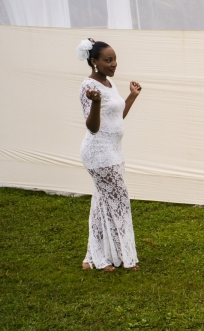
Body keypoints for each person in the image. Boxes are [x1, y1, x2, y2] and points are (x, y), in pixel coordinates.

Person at [76, 38, 142, 271]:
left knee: (102, 203)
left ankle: (93, 258)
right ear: (94, 61)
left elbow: (116, 116)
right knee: (119, 202)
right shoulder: (88, 87)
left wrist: (131, 95)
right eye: (108, 60)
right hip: (99, 154)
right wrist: (95, 103)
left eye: (114, 59)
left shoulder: (108, 83)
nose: (114, 64)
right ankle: (123, 256)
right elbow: (93, 127)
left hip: (114, 151)